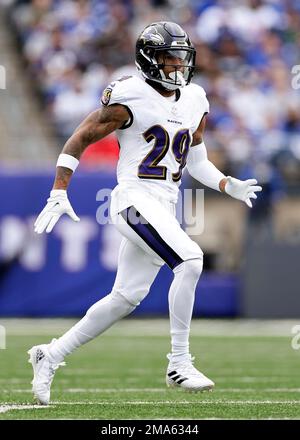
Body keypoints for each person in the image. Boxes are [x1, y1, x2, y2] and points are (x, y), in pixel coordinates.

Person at [28, 21, 262, 405]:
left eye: (182, 58)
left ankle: (49, 355)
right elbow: (81, 136)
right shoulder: (128, 94)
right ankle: (179, 361)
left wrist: (225, 183)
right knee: (191, 260)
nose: (177, 66)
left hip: (164, 204)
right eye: (170, 58)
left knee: (126, 297)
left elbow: (195, 158)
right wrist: (59, 188)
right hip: (132, 200)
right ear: (149, 59)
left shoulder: (195, 98)